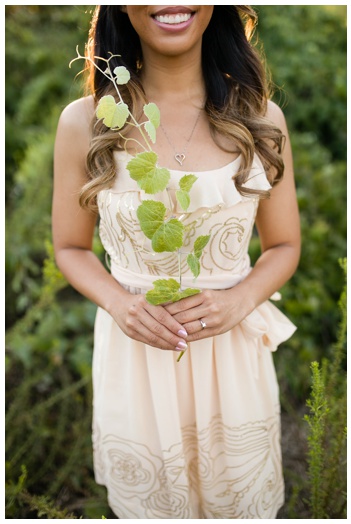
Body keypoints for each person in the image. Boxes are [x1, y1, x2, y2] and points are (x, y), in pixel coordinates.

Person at [51, 5, 300, 518]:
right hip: (135, 361)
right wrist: (120, 303)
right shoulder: (86, 121)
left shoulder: (260, 118)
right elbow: (70, 248)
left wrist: (240, 300)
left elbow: (284, 246)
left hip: (231, 360)